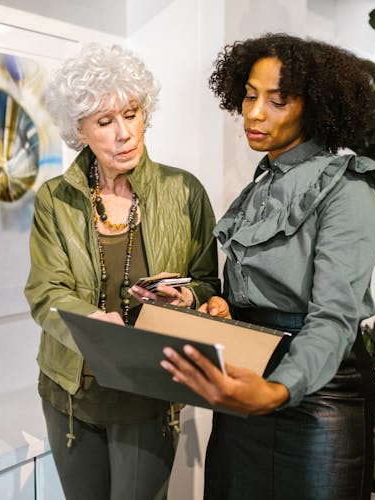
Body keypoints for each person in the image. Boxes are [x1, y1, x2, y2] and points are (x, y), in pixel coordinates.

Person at [157, 33, 375, 500]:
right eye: (250, 96)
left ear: (315, 107)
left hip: (318, 397)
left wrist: (275, 391)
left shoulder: (349, 191)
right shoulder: (263, 185)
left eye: (278, 101)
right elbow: (255, 295)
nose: (254, 112)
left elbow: (334, 319)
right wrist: (213, 303)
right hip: (246, 382)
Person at [24, 43, 220, 500]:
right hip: (72, 393)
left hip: (148, 393)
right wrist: (92, 325)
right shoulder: (56, 199)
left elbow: (208, 281)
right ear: (80, 130)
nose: (124, 134)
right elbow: (44, 290)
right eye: (105, 122)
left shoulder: (183, 191)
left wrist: (188, 298)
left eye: (131, 114)